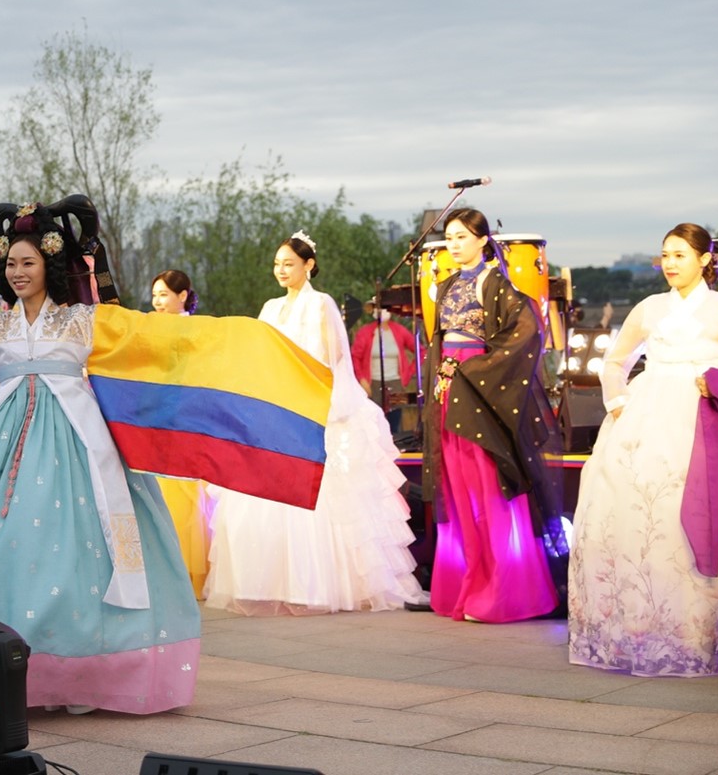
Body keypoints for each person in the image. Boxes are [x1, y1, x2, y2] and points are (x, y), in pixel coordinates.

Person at [0, 199, 200, 714]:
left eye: (28, 262)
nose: (19, 272)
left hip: (77, 445)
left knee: (77, 549)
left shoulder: (82, 320)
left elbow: (150, 343)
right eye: (11, 264)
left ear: (49, 265)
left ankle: (83, 672)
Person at [206, 235, 421, 614]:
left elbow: (332, 355)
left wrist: (301, 384)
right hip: (277, 402)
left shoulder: (320, 304)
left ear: (308, 265)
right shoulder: (270, 308)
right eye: (277, 264)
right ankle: (271, 581)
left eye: (289, 263)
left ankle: (328, 584)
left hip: (314, 400)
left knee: (328, 493)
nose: (281, 271)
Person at [568, 223, 718, 676]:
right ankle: (642, 626)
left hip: (703, 415)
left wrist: (717, 383)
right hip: (646, 413)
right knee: (639, 515)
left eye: (680, 255)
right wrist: (619, 403)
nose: (671, 264)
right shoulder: (650, 307)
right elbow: (615, 360)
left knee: (695, 511)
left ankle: (699, 632)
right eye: (665, 255)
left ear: (704, 259)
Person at [421, 208, 559, 623]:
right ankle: (465, 584)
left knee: (488, 487)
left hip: (479, 389)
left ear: (483, 240)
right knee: (458, 490)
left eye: (462, 236)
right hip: (449, 389)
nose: (454, 244)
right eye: (450, 237)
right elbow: (437, 344)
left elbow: (527, 333)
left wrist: (475, 371)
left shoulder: (497, 283)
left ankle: (504, 590)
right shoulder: (444, 287)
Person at [147, 269, 211, 598]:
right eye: (155, 295)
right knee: (157, 496)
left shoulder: (194, 330)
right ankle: (162, 573)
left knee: (186, 499)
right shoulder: (148, 327)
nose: (157, 301)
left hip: (185, 419)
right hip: (155, 420)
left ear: (182, 296)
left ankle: (185, 575)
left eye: (164, 295)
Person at [351, 305, 420, 436]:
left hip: (396, 384)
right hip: (373, 385)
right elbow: (355, 357)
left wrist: (408, 372)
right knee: (373, 424)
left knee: (395, 422)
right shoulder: (365, 332)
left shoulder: (399, 331)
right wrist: (362, 379)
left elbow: (420, 351)